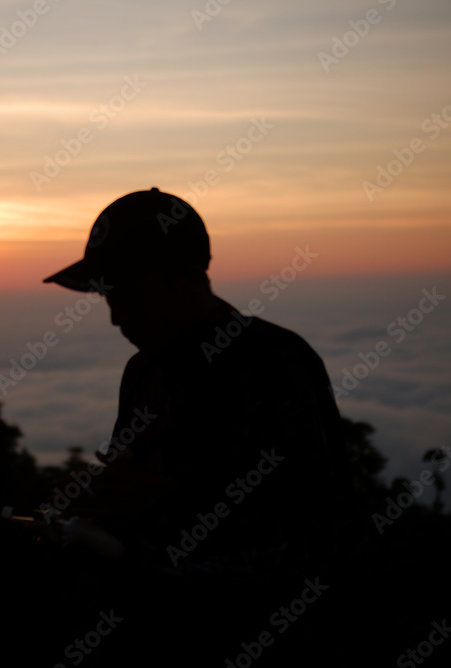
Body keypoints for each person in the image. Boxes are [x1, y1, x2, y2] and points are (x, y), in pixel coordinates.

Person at [42, 187, 352, 664]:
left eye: (129, 294)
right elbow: (141, 500)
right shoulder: (144, 372)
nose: (115, 316)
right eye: (108, 296)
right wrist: (95, 515)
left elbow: (313, 540)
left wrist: (163, 514)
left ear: (188, 279)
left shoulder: (273, 365)